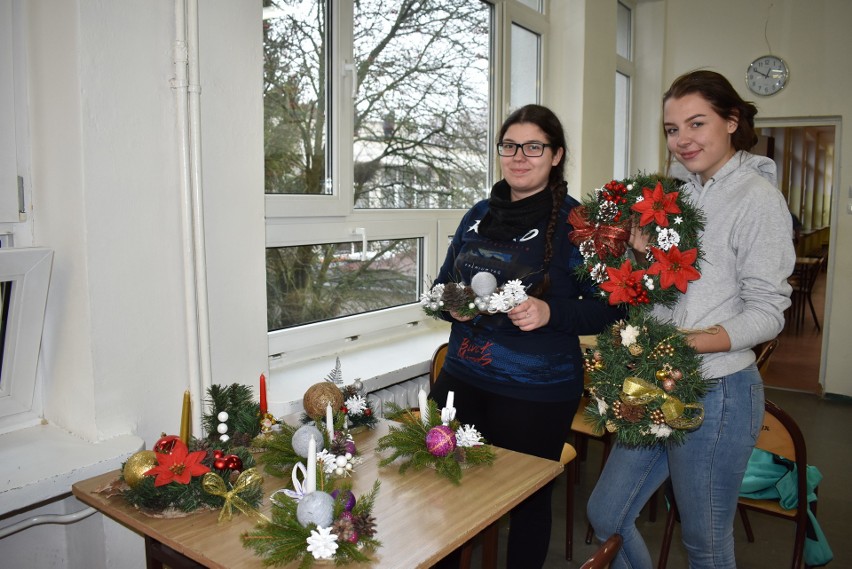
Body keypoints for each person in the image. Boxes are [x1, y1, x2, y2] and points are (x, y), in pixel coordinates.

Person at [587, 70, 797, 568]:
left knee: (704, 541)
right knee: (606, 513)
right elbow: (670, 291)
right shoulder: (675, 196)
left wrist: (687, 345)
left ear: (732, 121)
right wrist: (637, 257)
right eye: (671, 129)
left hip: (718, 392)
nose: (682, 140)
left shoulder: (757, 199)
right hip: (659, 382)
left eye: (696, 124)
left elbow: (768, 311)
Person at [428, 104, 623, 569]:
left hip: (536, 392)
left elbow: (612, 306)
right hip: (462, 379)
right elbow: (441, 286)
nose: (519, 156)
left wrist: (549, 311)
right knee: (440, 484)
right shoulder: (478, 214)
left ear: (555, 155)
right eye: (510, 146)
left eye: (533, 146)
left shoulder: (582, 226)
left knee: (526, 501)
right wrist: (449, 303)